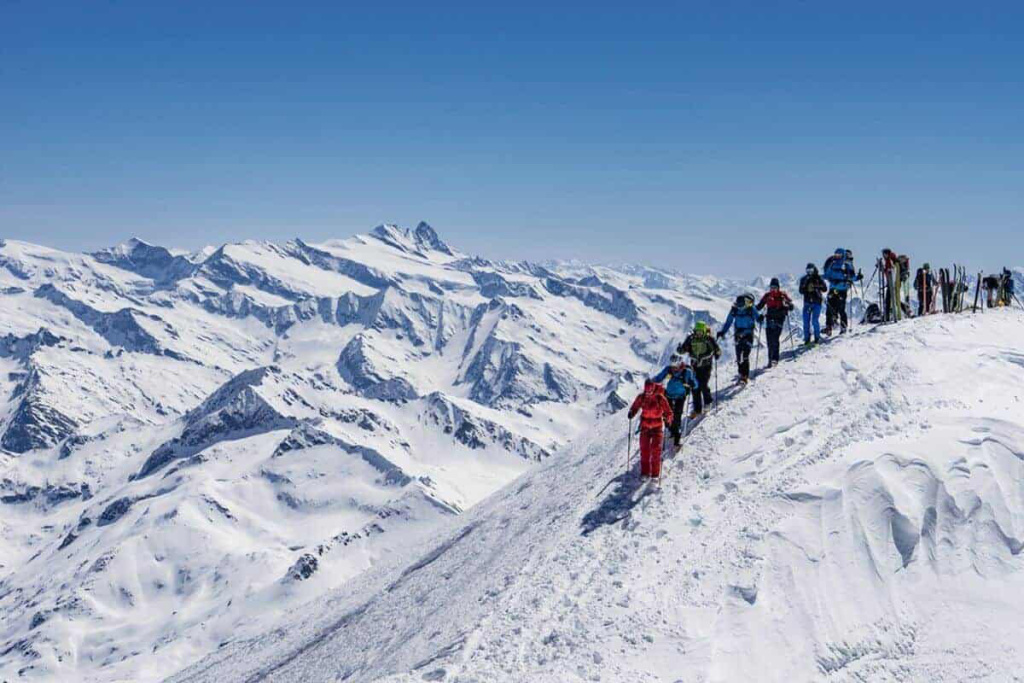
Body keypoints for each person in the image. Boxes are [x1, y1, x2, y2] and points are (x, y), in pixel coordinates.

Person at [627, 379, 673, 478]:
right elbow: (635, 406)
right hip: (645, 427)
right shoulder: (642, 397)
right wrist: (631, 412)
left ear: (653, 389)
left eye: (650, 392)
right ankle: (645, 473)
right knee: (644, 450)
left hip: (657, 427)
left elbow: (668, 412)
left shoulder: (660, 398)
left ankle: (655, 475)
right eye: (646, 391)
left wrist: (667, 420)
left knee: (656, 451)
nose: (648, 393)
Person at [678, 321, 722, 418]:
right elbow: (685, 348)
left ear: (704, 331)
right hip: (694, 366)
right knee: (695, 387)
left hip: (706, 366)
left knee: (703, 384)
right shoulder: (691, 339)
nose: (698, 333)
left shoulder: (708, 339)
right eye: (697, 331)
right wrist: (680, 349)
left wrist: (717, 354)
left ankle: (708, 402)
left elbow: (716, 349)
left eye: (700, 331)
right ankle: (697, 409)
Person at [652, 354, 698, 446]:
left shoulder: (687, 372)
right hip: (668, 395)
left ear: (680, 363)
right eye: (672, 365)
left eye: (675, 366)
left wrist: (692, 383)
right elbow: (659, 377)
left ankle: (677, 437)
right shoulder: (668, 370)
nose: (674, 368)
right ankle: (671, 429)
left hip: (680, 396)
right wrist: (652, 381)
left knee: (677, 415)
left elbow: (695, 384)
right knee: (668, 415)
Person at [717, 294, 763, 383]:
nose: (740, 306)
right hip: (739, 335)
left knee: (745, 355)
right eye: (739, 304)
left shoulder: (750, 309)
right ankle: (741, 374)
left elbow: (758, 318)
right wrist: (723, 332)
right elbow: (728, 322)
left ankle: (744, 376)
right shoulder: (735, 310)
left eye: (741, 304)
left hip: (748, 335)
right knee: (738, 356)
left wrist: (760, 318)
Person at [822, 248, 862, 335]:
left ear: (843, 255)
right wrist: (818, 277)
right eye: (836, 255)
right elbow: (827, 275)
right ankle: (829, 327)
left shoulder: (846, 265)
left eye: (839, 255)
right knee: (829, 308)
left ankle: (843, 327)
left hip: (841, 290)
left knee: (841, 309)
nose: (837, 256)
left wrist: (857, 277)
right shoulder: (832, 264)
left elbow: (851, 277)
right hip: (833, 289)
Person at [756, 278, 795, 366]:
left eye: (775, 287)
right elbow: (759, 306)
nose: (773, 289)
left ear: (778, 287)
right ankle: (770, 359)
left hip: (779, 319)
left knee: (775, 339)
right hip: (769, 319)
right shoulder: (767, 296)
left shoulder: (782, 295)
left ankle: (774, 359)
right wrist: (751, 309)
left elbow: (791, 306)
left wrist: (788, 306)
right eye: (771, 287)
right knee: (769, 340)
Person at [798, 263, 827, 344]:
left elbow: (825, 288)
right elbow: (801, 291)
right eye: (808, 270)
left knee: (815, 320)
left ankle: (817, 338)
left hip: (816, 302)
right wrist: (806, 286)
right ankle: (807, 339)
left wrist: (816, 286)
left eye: (811, 270)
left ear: (814, 270)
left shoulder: (818, 278)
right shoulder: (804, 279)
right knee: (806, 321)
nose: (809, 272)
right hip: (807, 302)